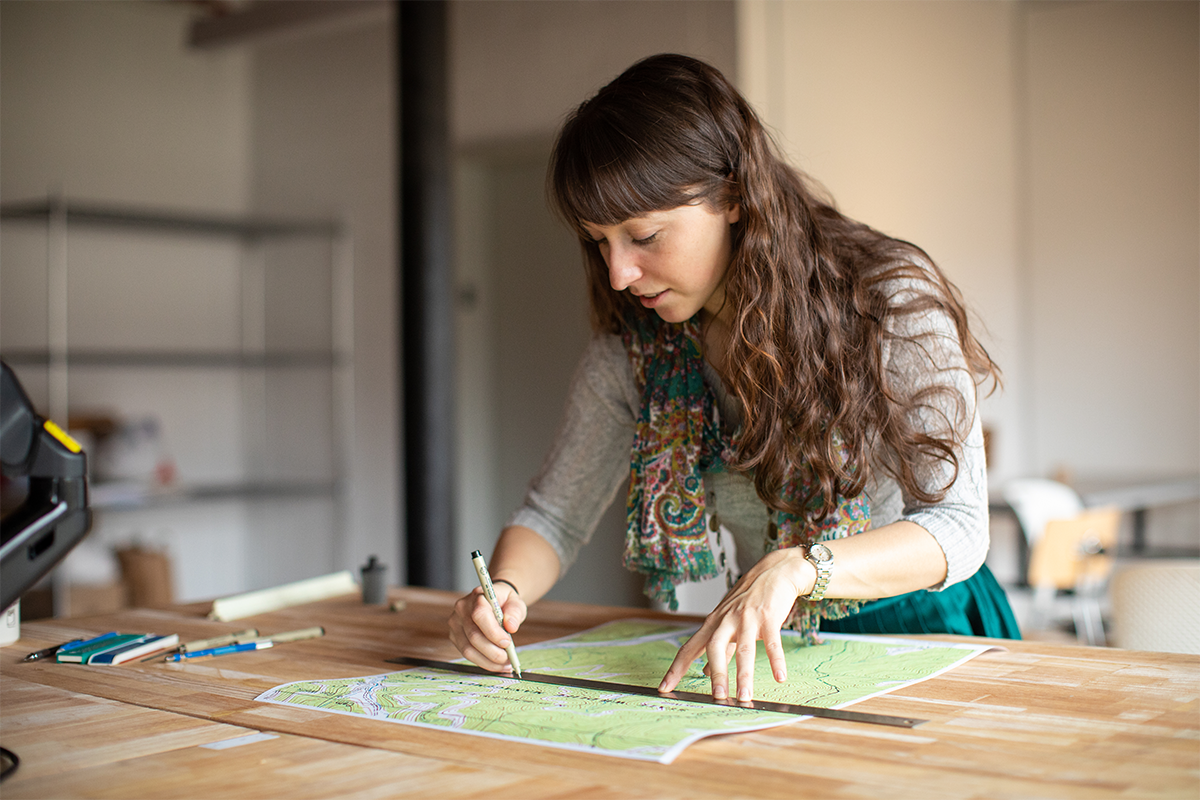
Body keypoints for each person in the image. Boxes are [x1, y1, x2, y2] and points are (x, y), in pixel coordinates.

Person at [449, 53, 1020, 703]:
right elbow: (553, 516)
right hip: (779, 652)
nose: (617, 274)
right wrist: (504, 592)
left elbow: (960, 525)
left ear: (734, 195)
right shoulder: (634, 355)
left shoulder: (887, 298)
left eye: (644, 236)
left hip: (929, 629)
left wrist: (800, 567)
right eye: (598, 242)